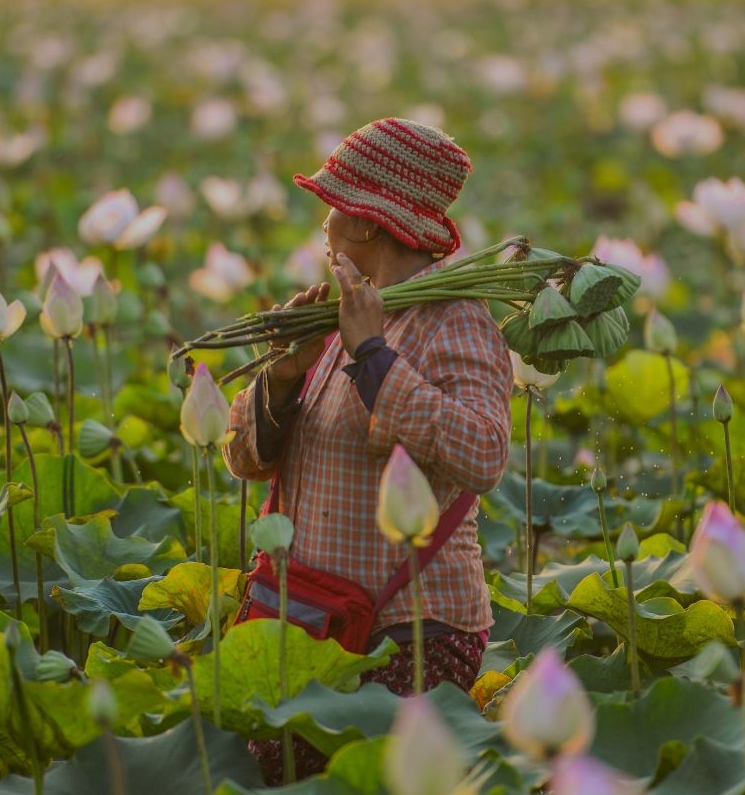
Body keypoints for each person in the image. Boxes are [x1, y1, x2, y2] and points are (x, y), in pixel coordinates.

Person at [222, 118, 512, 782]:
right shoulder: (342, 313)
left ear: (366, 225)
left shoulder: (456, 321)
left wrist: (374, 357)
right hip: (315, 616)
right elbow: (243, 457)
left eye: (332, 208)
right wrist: (286, 372)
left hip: (412, 630)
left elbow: (486, 453)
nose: (322, 227)